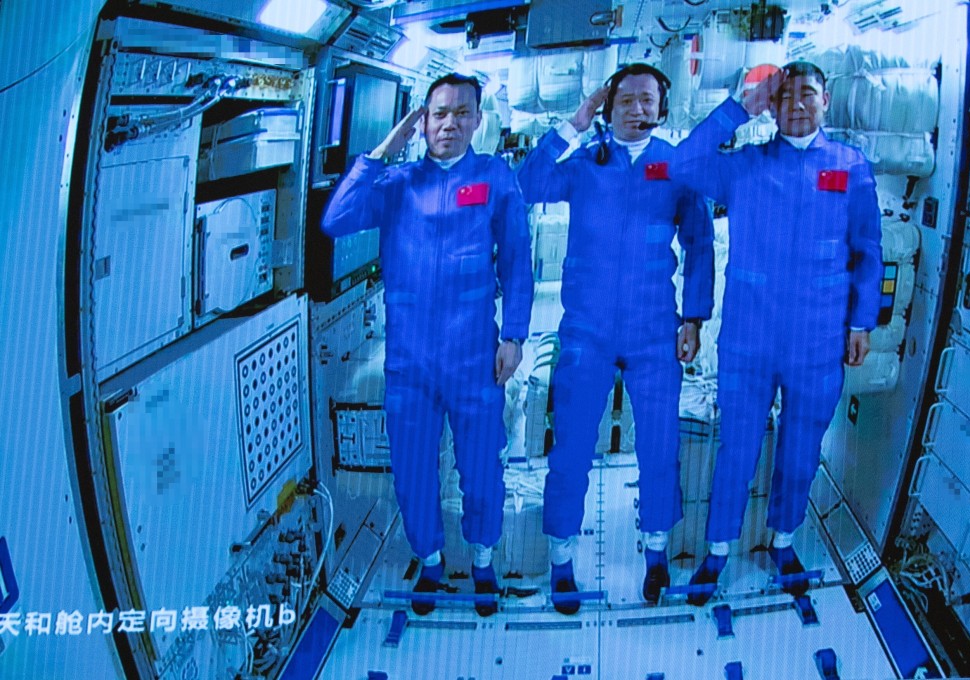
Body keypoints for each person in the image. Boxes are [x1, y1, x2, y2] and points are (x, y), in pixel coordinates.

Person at [322, 73, 533, 617]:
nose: (450, 123)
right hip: (410, 365)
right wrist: (386, 149)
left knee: (482, 468)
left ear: (478, 121)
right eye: (439, 113)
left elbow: (516, 261)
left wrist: (514, 335)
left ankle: (483, 562)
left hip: (474, 359)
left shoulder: (493, 178)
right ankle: (432, 563)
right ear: (422, 120)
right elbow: (335, 219)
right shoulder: (396, 185)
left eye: (463, 113)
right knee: (414, 471)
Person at [516, 63, 719, 613]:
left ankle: (656, 551)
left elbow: (701, 244)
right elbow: (527, 184)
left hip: (655, 329)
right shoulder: (585, 163)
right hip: (586, 331)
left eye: (647, 99)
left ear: (661, 106)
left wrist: (694, 319)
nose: (636, 108)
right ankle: (562, 560)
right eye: (624, 99)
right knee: (572, 449)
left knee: (659, 447)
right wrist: (577, 120)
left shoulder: (678, 168)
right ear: (609, 107)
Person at [682, 61, 882, 605]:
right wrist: (737, 108)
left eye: (808, 94)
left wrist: (862, 321)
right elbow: (683, 164)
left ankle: (783, 540)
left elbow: (868, 253)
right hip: (750, 339)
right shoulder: (743, 166)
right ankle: (718, 551)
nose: (797, 104)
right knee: (738, 449)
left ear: (827, 99)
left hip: (818, 342)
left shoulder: (850, 168)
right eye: (785, 95)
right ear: (770, 105)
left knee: (800, 451)